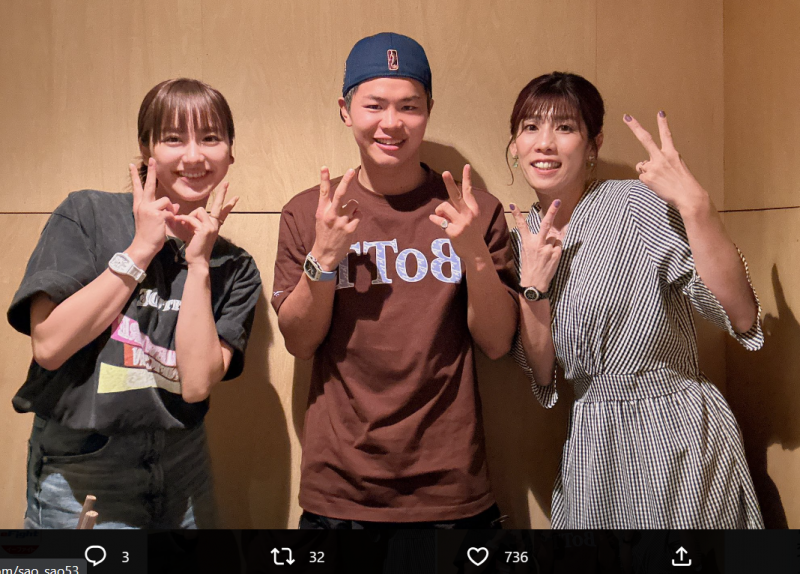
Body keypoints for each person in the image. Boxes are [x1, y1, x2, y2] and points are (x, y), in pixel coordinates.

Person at [272, 32, 519, 528]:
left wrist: (473, 253)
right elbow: (299, 341)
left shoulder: (476, 212)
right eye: (374, 105)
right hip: (340, 488)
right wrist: (323, 256)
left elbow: (496, 344)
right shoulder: (309, 213)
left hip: (451, 486)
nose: (391, 123)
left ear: (429, 110)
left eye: (409, 106)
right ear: (345, 110)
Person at [507, 71, 763, 528]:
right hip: (593, 442)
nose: (544, 143)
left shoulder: (633, 204)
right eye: (530, 127)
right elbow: (543, 375)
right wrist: (534, 289)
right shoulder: (520, 238)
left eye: (564, 127)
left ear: (593, 145)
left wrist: (696, 207)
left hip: (678, 436)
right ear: (515, 145)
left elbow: (740, 317)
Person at [7, 78, 262, 529]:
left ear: (230, 152)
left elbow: (196, 386)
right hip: (84, 460)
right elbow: (49, 346)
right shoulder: (88, 214)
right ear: (147, 148)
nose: (194, 156)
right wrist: (141, 250)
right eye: (173, 138)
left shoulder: (235, 266)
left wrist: (198, 265)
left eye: (210, 138)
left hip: (183, 459)